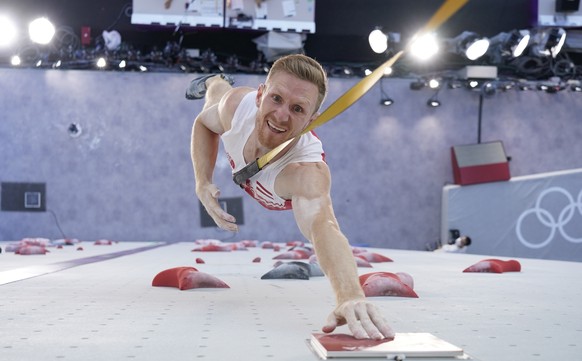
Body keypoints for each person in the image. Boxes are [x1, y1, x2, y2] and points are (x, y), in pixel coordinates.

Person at [188, 54, 394, 340]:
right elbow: (203, 124)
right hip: (233, 113)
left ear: (312, 120)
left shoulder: (305, 171)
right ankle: (214, 78)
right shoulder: (238, 107)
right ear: (260, 95)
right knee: (218, 94)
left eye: (298, 109)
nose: (282, 115)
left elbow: (324, 227)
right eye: (276, 99)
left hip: (279, 173)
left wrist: (348, 295)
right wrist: (203, 182)